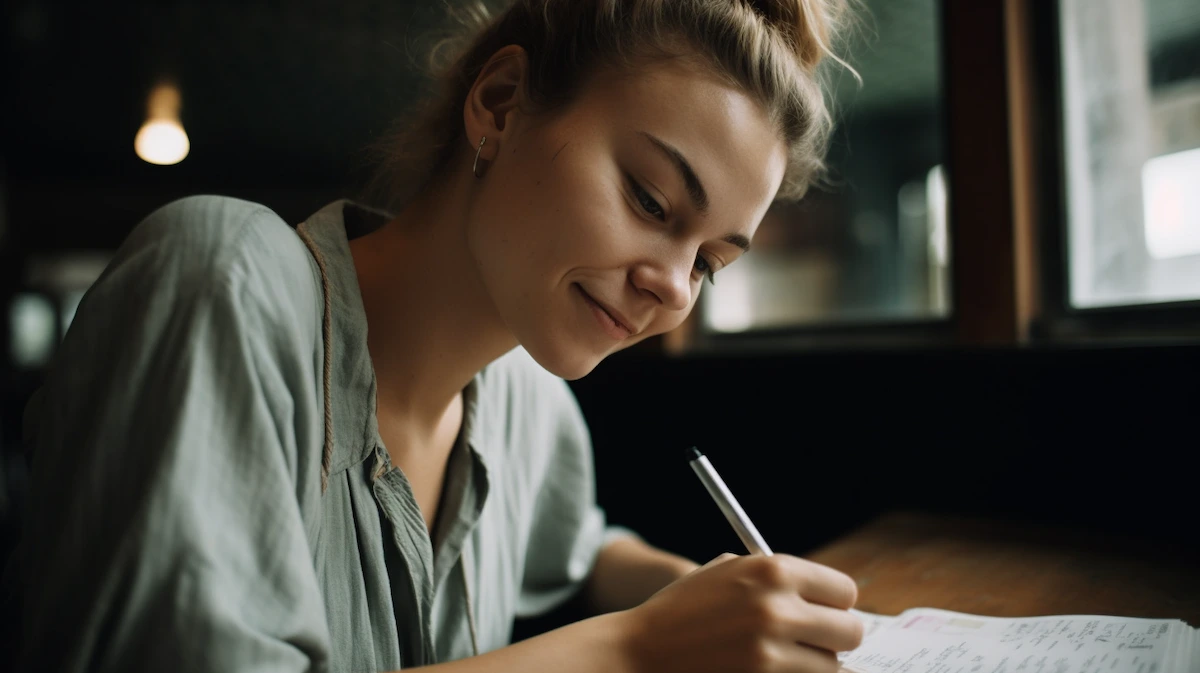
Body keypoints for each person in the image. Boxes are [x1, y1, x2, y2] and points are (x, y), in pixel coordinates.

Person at [1, 0, 867, 671]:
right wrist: (640, 647)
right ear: (499, 103)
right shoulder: (219, 282)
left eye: (710, 261)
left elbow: (578, 548)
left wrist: (703, 594)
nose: (672, 287)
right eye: (648, 199)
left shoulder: (528, 402)